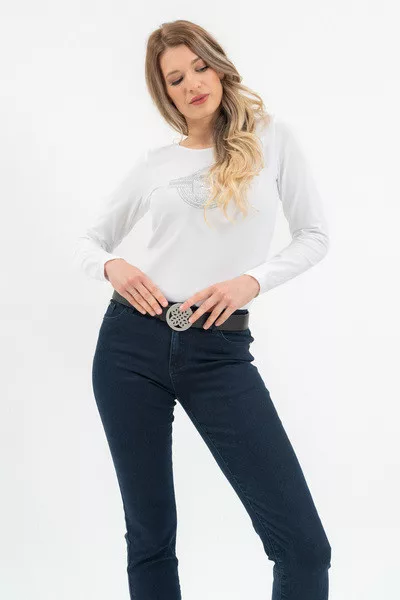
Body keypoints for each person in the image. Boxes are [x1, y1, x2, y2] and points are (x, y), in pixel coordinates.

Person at [73, 19, 332, 600]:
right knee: (150, 537)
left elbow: (314, 236)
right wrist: (114, 267)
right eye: (175, 78)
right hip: (130, 347)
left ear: (219, 66)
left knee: (303, 548)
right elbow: (88, 241)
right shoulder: (156, 164)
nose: (192, 83)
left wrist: (251, 282)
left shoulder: (273, 140)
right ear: (164, 93)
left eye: (199, 66)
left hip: (219, 351)